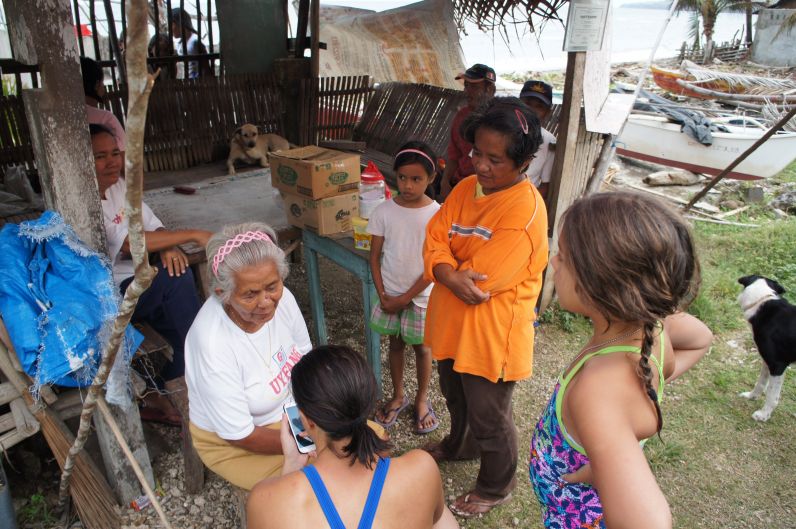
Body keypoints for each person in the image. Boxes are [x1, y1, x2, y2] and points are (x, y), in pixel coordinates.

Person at [529, 192, 713, 529]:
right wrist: (634, 400)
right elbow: (701, 339)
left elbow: (648, 523)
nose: (554, 262)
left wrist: (601, 464)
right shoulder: (654, 327)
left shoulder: (600, 388)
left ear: (603, 282)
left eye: (565, 258)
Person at [422, 97, 548, 518]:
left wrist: (447, 267)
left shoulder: (526, 212)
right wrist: (447, 270)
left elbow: (483, 283)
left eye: (495, 158)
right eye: (477, 152)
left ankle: (496, 486)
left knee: (491, 417)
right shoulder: (462, 188)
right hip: (452, 324)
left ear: (525, 161)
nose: (481, 165)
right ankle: (460, 447)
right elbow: (434, 235)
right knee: (455, 397)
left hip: (493, 334)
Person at [246, 344, 459, 529]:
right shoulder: (422, 468)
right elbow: (442, 523)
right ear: (367, 403)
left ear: (307, 419)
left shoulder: (267, 501)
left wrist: (291, 466)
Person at [90, 124, 211, 424]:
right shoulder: (86, 201)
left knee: (179, 274)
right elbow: (130, 243)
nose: (112, 162)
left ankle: (168, 383)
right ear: (84, 160)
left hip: (143, 276)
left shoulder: (119, 187)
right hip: (113, 291)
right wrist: (193, 235)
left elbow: (151, 223)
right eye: (101, 156)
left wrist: (164, 247)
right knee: (178, 283)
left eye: (115, 153)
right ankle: (202, 363)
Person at [184, 222, 313, 490]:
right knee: (316, 484)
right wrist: (312, 441)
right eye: (250, 295)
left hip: (292, 415)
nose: (266, 302)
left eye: (272, 287)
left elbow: (305, 358)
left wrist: (320, 423)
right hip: (234, 443)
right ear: (223, 294)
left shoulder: (284, 299)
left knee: (366, 444)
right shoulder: (212, 343)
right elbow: (239, 435)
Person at [368, 141, 441, 434]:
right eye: (402, 178)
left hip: (421, 297)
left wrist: (405, 298)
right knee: (395, 344)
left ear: (431, 178)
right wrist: (384, 294)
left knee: (423, 348)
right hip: (389, 294)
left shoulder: (438, 214)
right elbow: (374, 257)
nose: (408, 185)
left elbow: (434, 266)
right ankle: (399, 395)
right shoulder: (383, 211)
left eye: (416, 179)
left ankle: (422, 400)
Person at [439, 63, 497, 200]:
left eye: (474, 87)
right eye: (466, 85)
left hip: (489, 191)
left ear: (490, 89)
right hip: (459, 185)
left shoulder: (502, 120)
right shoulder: (461, 116)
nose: (467, 91)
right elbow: (454, 155)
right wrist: (445, 182)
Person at [519, 80, 556, 199]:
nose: (531, 110)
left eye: (539, 106)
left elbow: (545, 185)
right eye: (527, 103)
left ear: (547, 113)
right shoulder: (498, 128)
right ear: (518, 104)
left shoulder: (549, 141)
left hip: (523, 201)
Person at [82, 57, 126, 156]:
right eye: (102, 82)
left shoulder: (63, 118)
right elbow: (124, 157)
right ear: (96, 85)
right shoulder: (106, 118)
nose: (103, 87)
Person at [170, 8, 211, 79]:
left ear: (180, 23)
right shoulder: (180, 44)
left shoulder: (195, 42)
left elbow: (206, 68)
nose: (169, 28)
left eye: (171, 24)